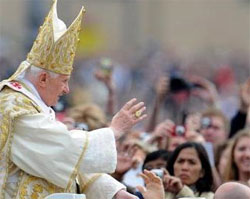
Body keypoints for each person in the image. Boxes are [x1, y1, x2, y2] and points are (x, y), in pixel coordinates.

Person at [0, 0, 146, 198]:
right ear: (43, 78)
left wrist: (115, 192)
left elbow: (64, 163)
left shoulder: (33, 105)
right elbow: (64, 150)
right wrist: (114, 130)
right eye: (64, 81)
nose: (67, 89)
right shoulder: (16, 107)